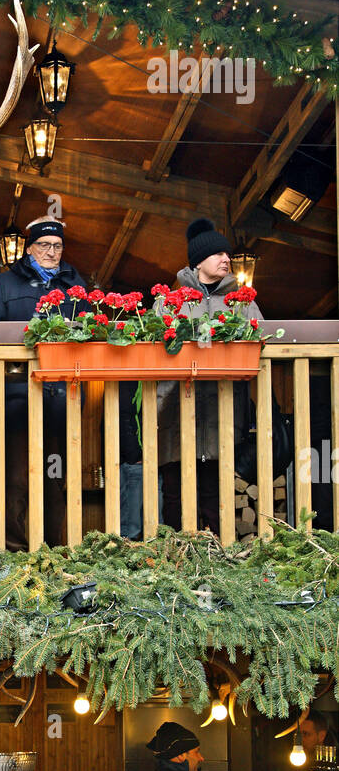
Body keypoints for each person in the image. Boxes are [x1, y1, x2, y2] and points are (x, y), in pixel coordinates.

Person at [0, 218, 87, 548]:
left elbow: (89, 331)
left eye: (57, 246)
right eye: (44, 245)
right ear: (30, 249)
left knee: (54, 478)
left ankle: (52, 551)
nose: (51, 252)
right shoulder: (3, 284)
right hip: (17, 400)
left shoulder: (75, 284)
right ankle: (12, 551)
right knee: (15, 478)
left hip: (59, 402)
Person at [156, 218, 264, 534]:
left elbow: (262, 342)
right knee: (174, 496)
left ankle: (218, 569)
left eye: (226, 254)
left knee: (215, 497)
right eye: (218, 254)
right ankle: (175, 563)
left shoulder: (243, 302)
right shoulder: (169, 302)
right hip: (176, 414)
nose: (226, 260)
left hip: (222, 414)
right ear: (199, 261)